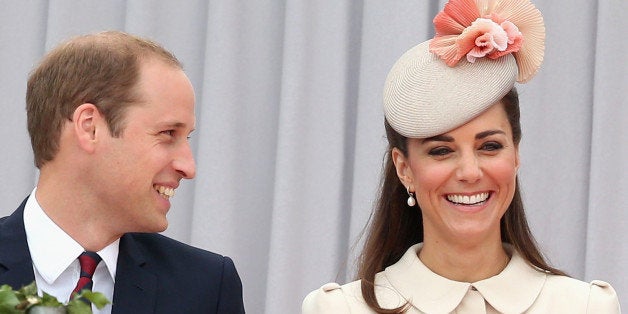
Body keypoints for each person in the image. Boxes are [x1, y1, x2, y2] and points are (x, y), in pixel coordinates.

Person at [302, 0, 620, 313]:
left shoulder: (586, 306)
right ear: (404, 168)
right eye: (442, 151)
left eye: (490, 146)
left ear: (516, 153)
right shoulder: (339, 308)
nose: (470, 172)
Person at [0, 31, 245, 313]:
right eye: (167, 133)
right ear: (90, 127)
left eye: (186, 138)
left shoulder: (206, 288)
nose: (188, 168)